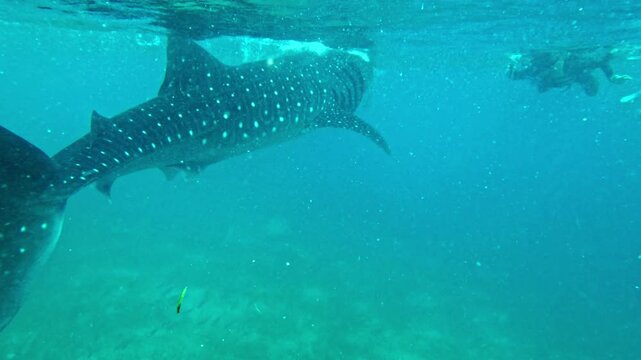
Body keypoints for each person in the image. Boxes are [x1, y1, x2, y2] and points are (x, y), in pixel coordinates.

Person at [507, 46, 632, 96]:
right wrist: (611, 76)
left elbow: (513, 75)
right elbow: (600, 61)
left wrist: (612, 77)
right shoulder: (578, 72)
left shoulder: (536, 69)